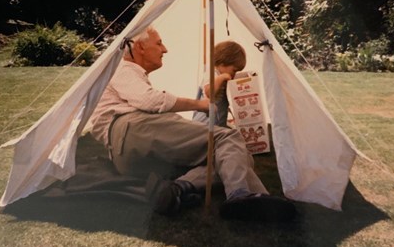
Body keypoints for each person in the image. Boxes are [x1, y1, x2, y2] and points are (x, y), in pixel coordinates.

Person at [88, 26, 295, 222]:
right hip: (132, 130)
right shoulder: (122, 69)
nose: (165, 49)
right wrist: (200, 105)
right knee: (229, 138)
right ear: (140, 47)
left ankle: (178, 188)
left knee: (233, 156)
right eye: (159, 44)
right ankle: (241, 194)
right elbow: (151, 101)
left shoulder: (129, 75)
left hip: (128, 157)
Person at [192, 40, 246, 127]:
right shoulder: (212, 73)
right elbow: (209, 93)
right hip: (204, 124)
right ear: (222, 63)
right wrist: (222, 78)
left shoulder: (222, 75)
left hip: (217, 124)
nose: (234, 74)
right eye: (234, 70)